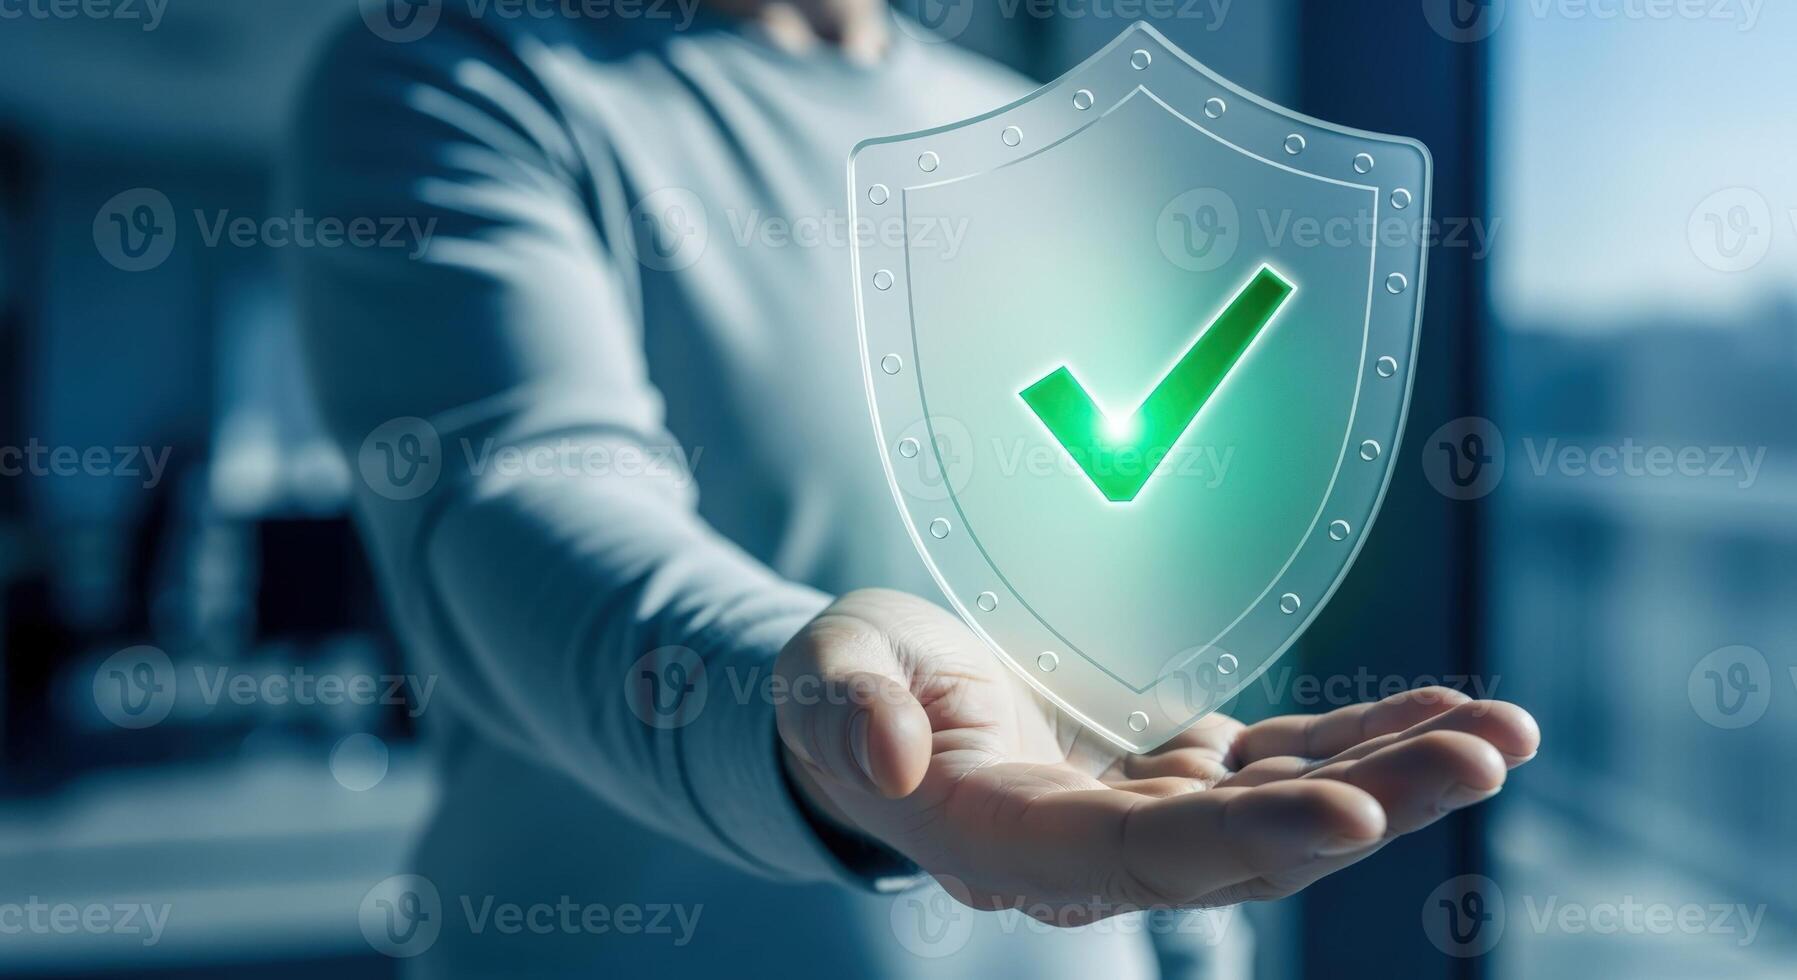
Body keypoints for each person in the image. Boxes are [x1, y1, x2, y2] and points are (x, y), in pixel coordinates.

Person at [289, 2, 1540, 976]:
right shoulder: (464, 77)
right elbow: (522, 502)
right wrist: (795, 694)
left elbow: (1135, 649)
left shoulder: (1039, 139)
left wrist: (1191, 939)